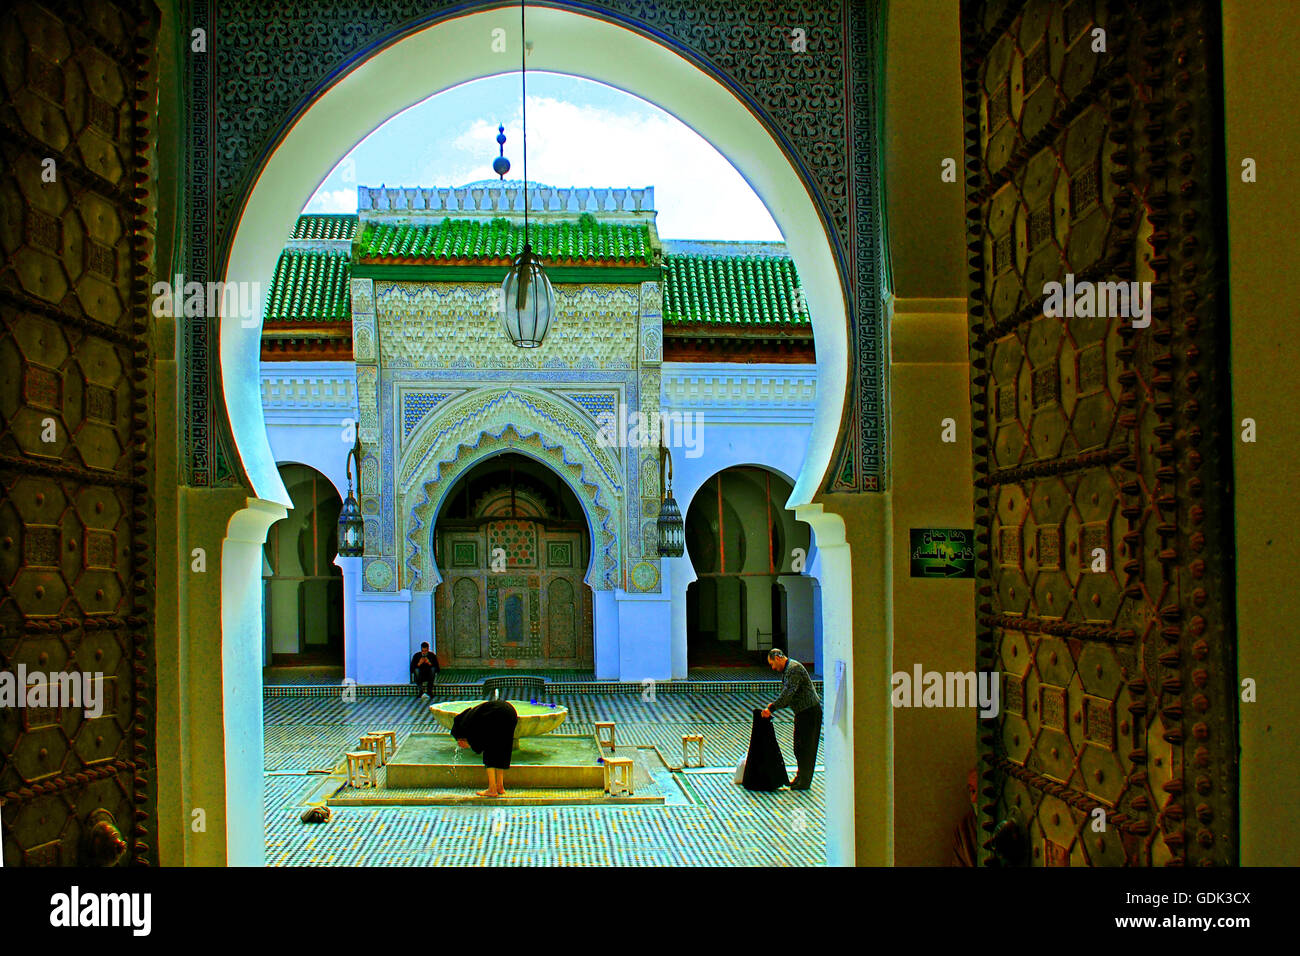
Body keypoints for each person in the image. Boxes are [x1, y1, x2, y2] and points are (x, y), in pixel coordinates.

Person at [760, 648, 821, 790]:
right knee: (799, 747)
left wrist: (772, 708)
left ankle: (805, 781)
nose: (773, 668)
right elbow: (787, 696)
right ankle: (801, 777)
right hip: (802, 712)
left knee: (806, 748)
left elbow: (788, 693)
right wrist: (774, 705)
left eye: (772, 664)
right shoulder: (788, 670)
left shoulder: (794, 669)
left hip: (810, 712)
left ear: (778, 657)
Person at [450, 699, 518, 797]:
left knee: (489, 751)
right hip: (510, 712)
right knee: (502, 748)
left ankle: (492, 789)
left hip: (499, 713)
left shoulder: (466, 723)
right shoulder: (469, 716)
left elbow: (479, 746)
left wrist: (469, 743)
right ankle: (500, 786)